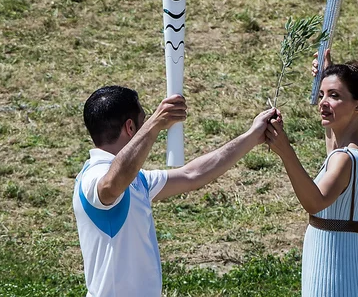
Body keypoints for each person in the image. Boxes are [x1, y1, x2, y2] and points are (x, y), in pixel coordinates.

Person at [72, 85, 275, 297]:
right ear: (131, 128)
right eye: (144, 120)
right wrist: (154, 126)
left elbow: (192, 174)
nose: (147, 125)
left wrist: (253, 136)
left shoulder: (136, 180)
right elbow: (110, 186)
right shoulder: (92, 178)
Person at [265, 49, 358, 297]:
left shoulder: (345, 159)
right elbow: (333, 146)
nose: (323, 102)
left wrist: (286, 152)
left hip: (335, 278)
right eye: (321, 94)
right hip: (343, 272)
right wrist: (327, 73)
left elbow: (314, 202)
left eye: (334, 95)